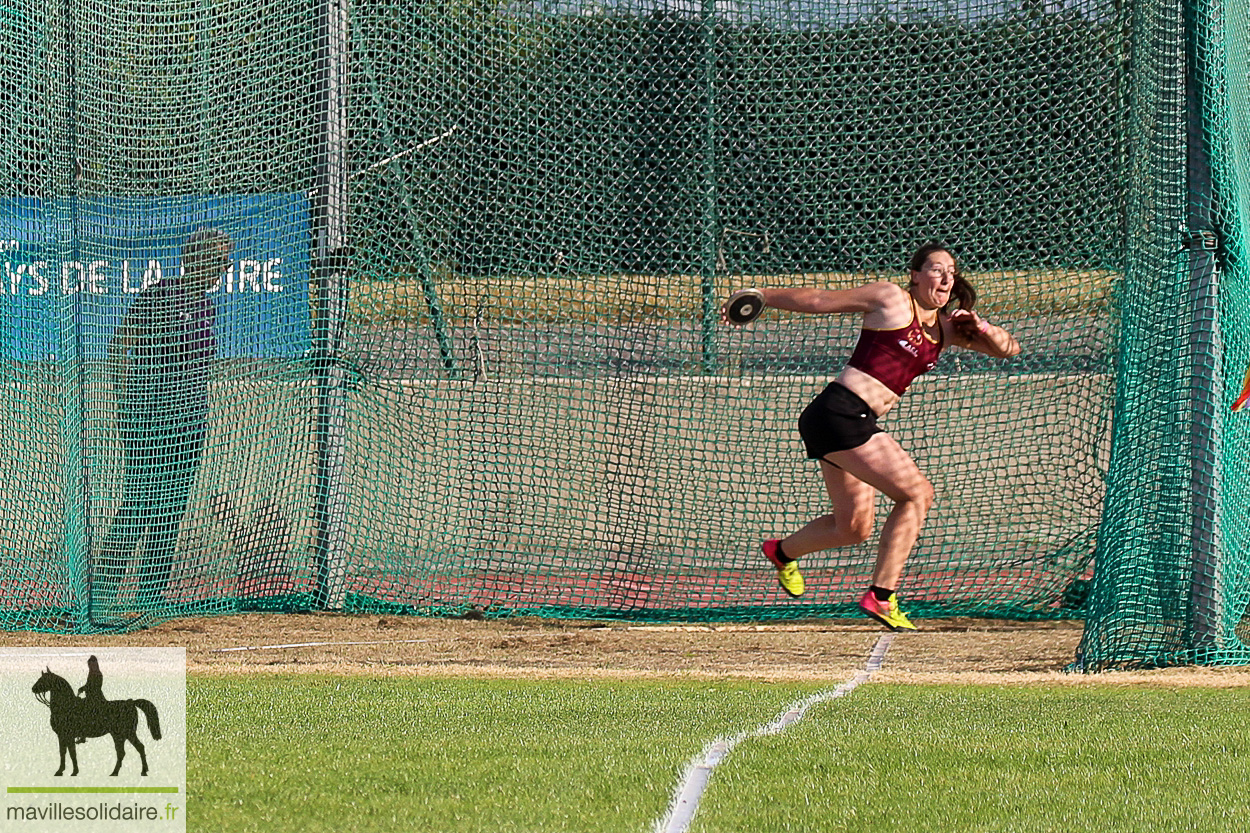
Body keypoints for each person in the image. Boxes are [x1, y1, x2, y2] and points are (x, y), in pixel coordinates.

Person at [726, 243, 1021, 630]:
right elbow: (820, 300)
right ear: (915, 275)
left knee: (853, 528)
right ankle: (882, 596)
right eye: (935, 269)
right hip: (841, 413)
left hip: (847, 420)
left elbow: (1009, 349)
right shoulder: (891, 299)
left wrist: (979, 326)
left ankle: (781, 552)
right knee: (917, 494)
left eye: (951, 271)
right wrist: (764, 295)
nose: (946, 277)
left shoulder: (946, 329)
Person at [96, 228, 231, 612]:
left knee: (171, 509)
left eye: (226, 260)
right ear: (196, 259)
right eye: (219, 259)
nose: (225, 267)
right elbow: (121, 343)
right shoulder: (160, 294)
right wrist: (125, 401)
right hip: (150, 419)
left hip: (190, 423)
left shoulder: (206, 304)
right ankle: (105, 590)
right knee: (139, 504)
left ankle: (150, 595)